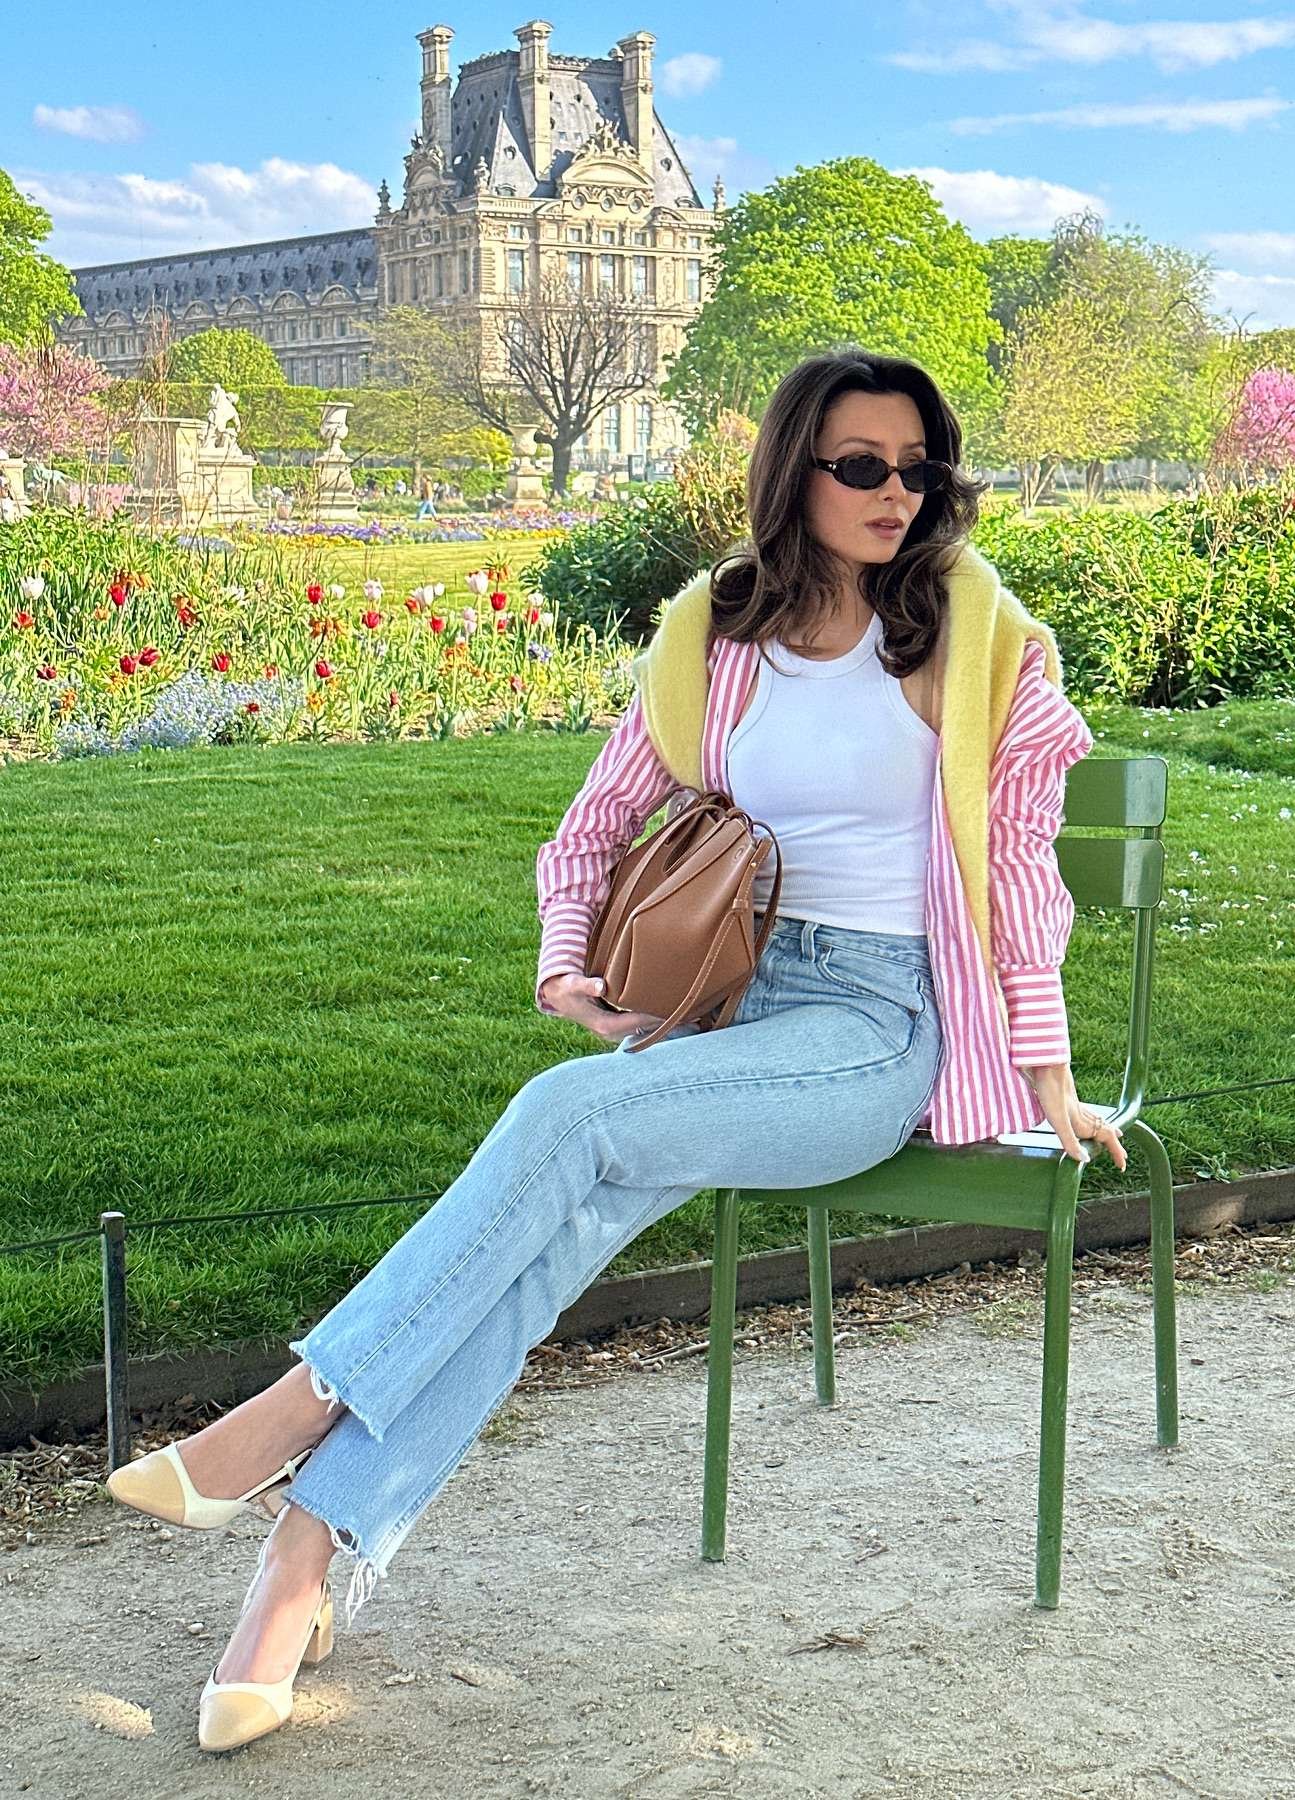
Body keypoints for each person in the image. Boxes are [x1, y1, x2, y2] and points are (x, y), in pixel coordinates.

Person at [103, 347, 1126, 1753]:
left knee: (569, 1120)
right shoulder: (718, 635)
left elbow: (1020, 873)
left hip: (871, 1032)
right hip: (730, 1012)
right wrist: (564, 962)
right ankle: (295, 1573)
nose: (898, 493)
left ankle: (286, 1412)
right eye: (862, 466)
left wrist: (1047, 1072)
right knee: (537, 1244)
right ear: (797, 475)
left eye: (919, 468)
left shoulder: (976, 633)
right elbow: (592, 826)